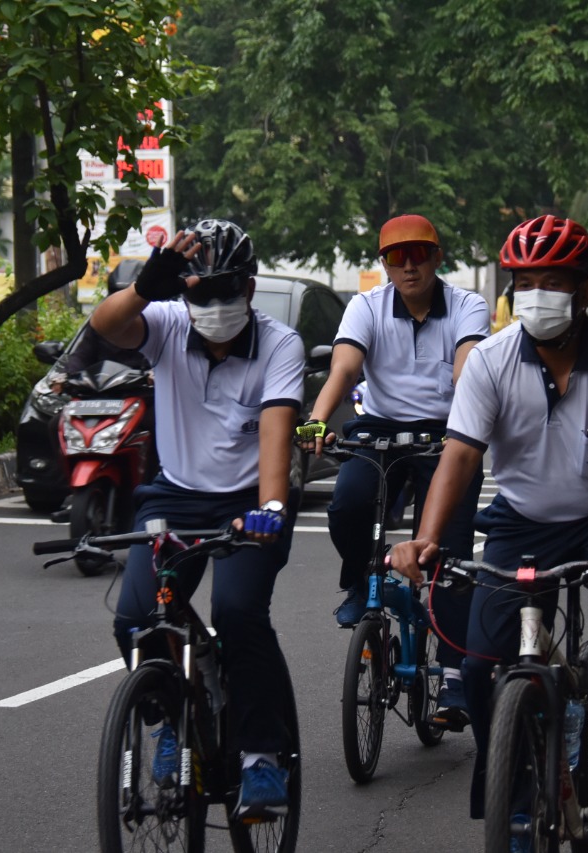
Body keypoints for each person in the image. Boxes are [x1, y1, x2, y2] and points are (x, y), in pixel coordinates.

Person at [389, 214, 588, 825]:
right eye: (525, 282)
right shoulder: (491, 362)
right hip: (520, 523)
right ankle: (512, 806)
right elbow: (460, 456)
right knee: (478, 664)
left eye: (553, 281)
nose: (538, 295)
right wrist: (426, 539)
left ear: (584, 289)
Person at [89, 218, 304, 817]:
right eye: (199, 292)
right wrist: (142, 287)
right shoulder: (167, 323)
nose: (212, 305)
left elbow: (275, 436)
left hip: (249, 506)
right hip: (174, 498)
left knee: (237, 613)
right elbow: (104, 326)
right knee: (136, 619)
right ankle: (169, 722)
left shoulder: (279, 344)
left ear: (249, 288)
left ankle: (261, 757)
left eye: (225, 291)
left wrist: (269, 510)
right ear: (183, 292)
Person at [298, 213, 488, 727]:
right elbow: (344, 366)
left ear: (437, 257)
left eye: (418, 254)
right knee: (347, 506)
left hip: (446, 435)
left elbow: (467, 365)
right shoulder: (366, 306)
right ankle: (363, 582)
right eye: (395, 257)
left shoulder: (468, 304)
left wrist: (465, 421)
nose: (408, 266)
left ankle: (453, 678)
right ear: (383, 264)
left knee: (448, 553)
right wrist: (317, 422)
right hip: (379, 430)